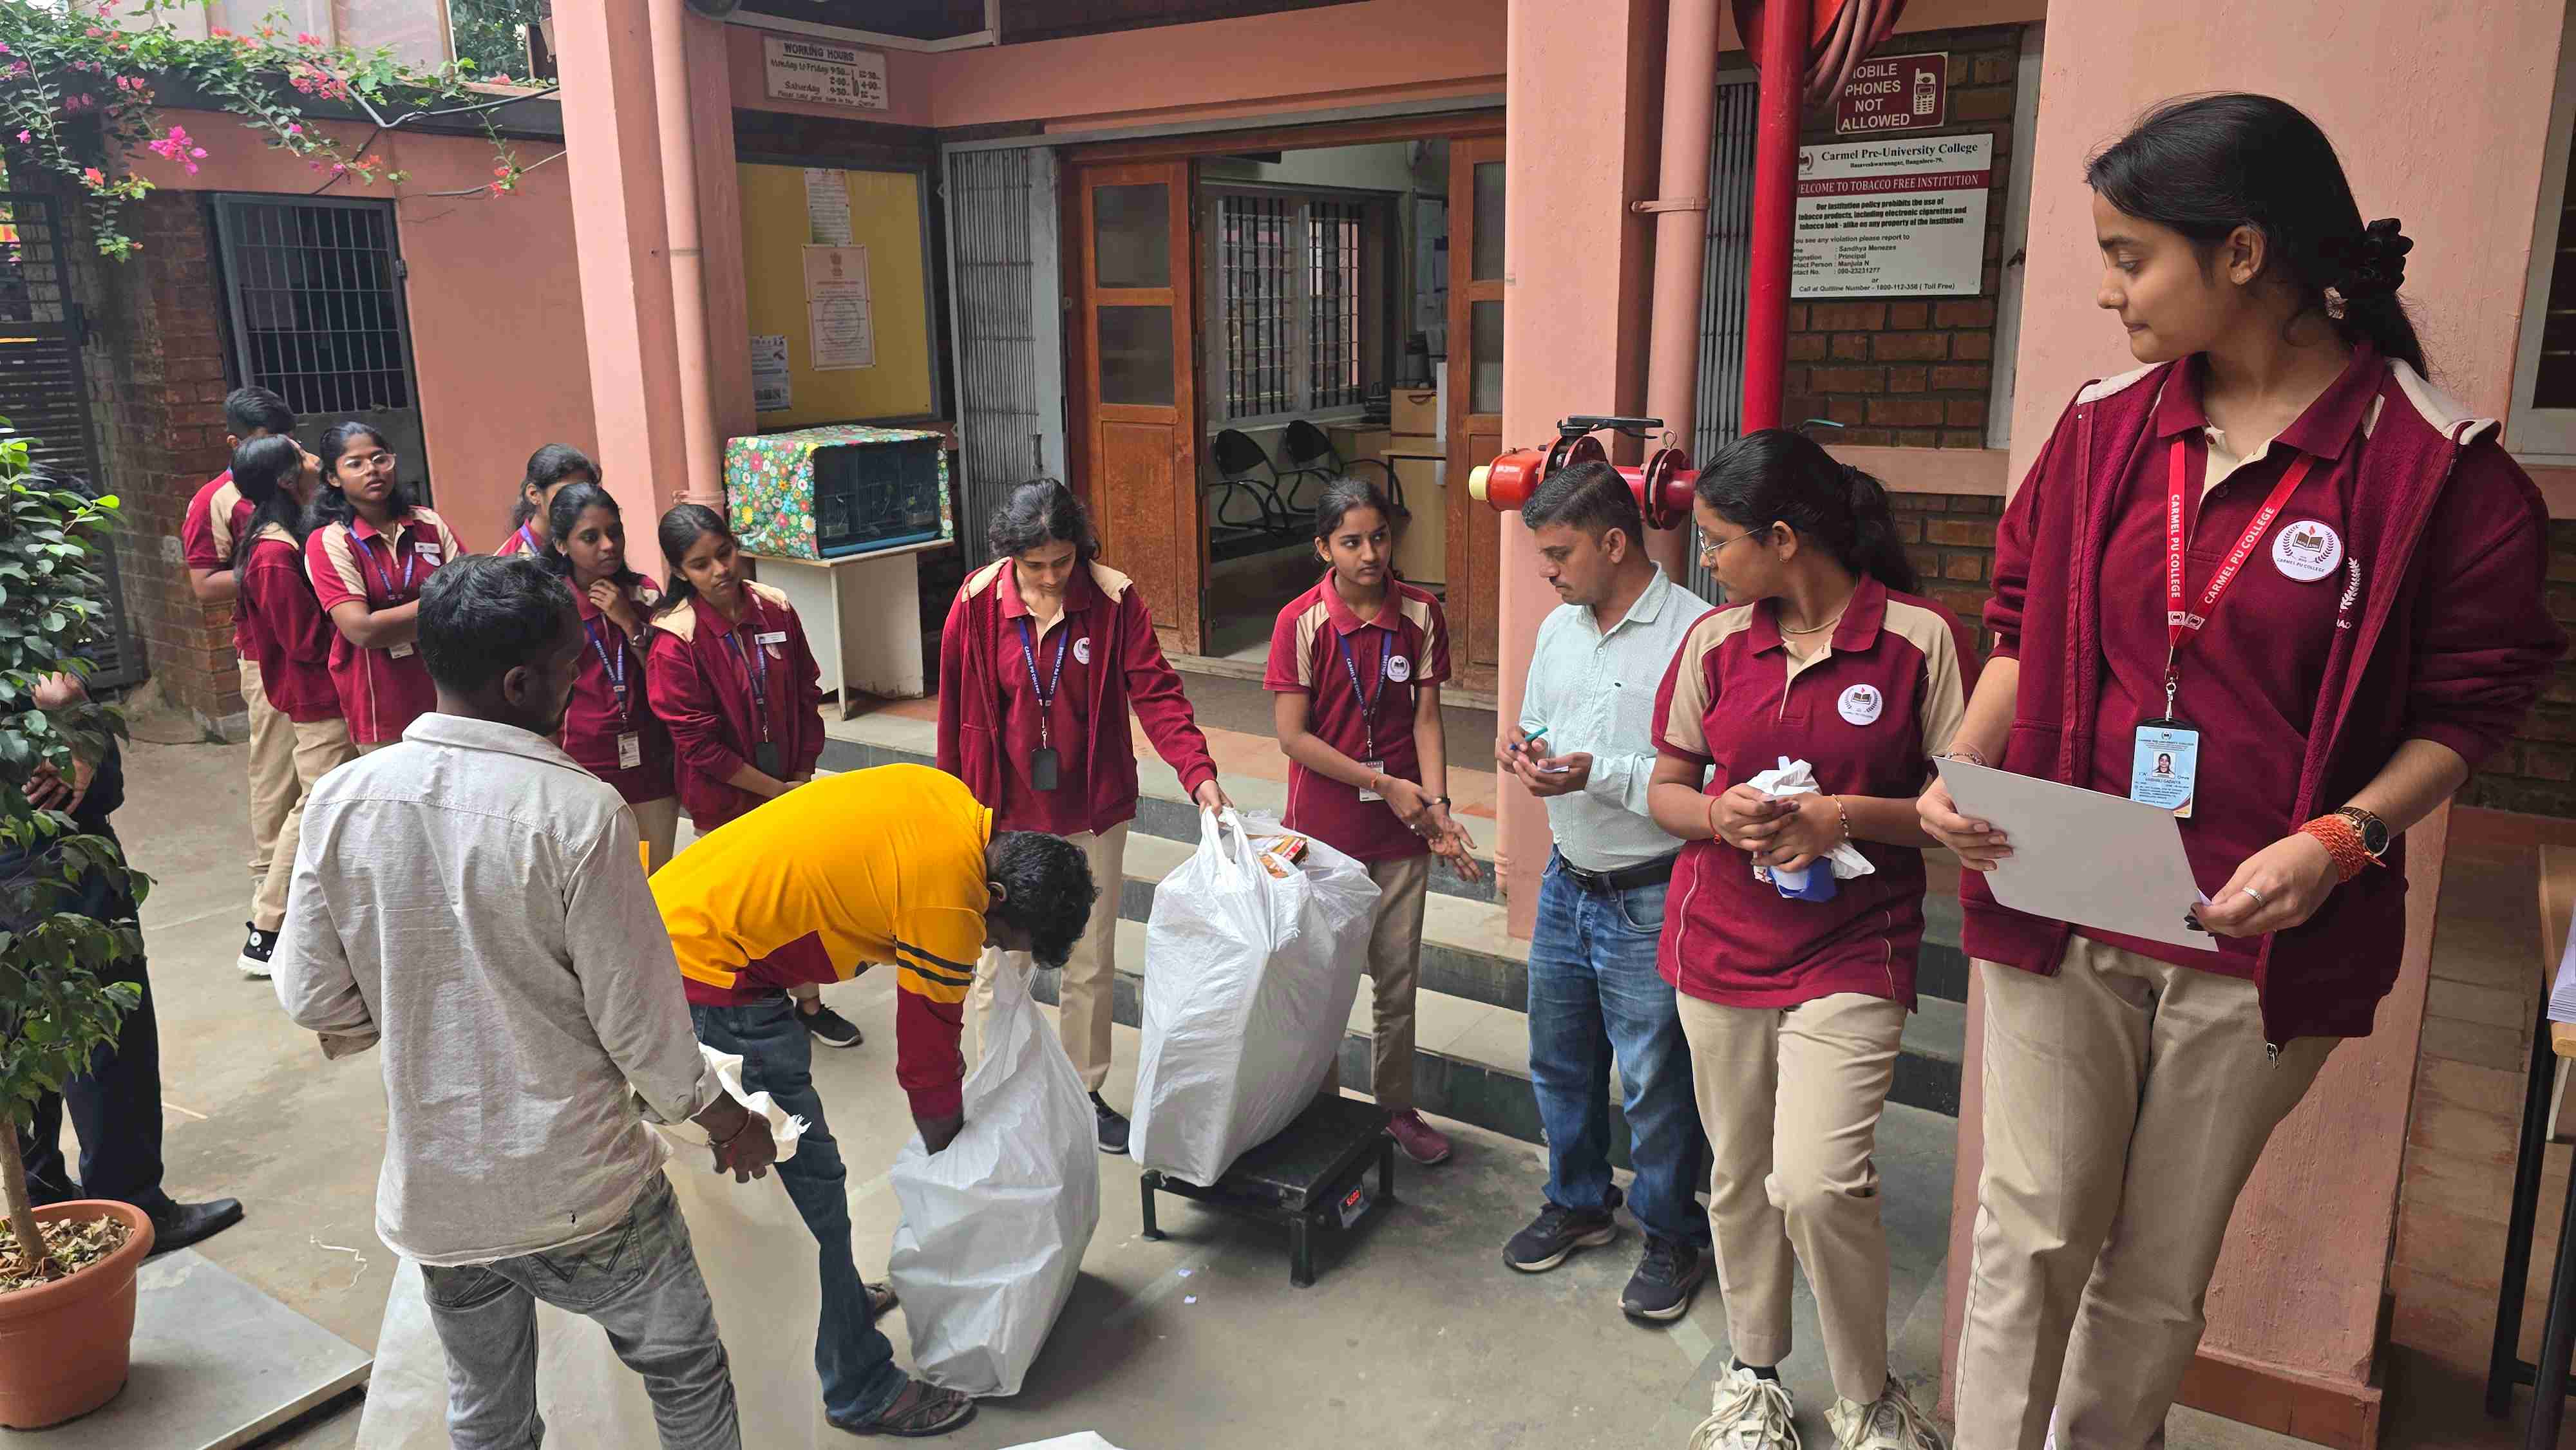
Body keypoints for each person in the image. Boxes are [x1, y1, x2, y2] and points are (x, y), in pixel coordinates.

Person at [1915, 95, 2561, 1450]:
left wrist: (2340, 840)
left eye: (2128, 256)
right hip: (2063, 891)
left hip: (2254, 932)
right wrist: (1963, 761)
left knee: (2154, 1267)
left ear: (2245, 253)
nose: (2107, 291)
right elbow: (2020, 622)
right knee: (2030, 1230)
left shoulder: (2436, 473)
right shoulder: (2100, 429)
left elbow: (2471, 707)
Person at [274, 556, 779, 1450]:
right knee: (685, 1370)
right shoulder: (579, 813)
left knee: (487, 1412)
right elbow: (640, 1028)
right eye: (570, 666)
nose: (580, 682)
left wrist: (413, 1004)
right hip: (581, 1188)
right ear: (519, 684)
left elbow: (312, 991)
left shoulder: (344, 798)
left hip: (440, 1195)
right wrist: (724, 1119)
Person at [1651, 431, 1975, 1450]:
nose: (1708, 559)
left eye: (1718, 540)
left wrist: (1842, 817)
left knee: (1818, 1180)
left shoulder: (1920, 640)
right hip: (1719, 942)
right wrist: (1719, 815)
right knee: (1741, 1174)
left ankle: (1869, 1395)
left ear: (1783, 538)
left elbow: (1959, 810)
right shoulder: (1714, 644)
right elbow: (1668, 787)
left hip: (1854, 945)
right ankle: (1753, 1377)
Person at [650, 762, 1097, 1439]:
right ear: (997, 893)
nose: (986, 946)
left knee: (809, 1174)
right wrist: (955, 1165)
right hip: (706, 973)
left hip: (683, 919)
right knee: (812, 1185)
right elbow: (925, 1067)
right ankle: (859, 1387)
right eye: (998, 936)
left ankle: (837, 1300)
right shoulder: (951, 903)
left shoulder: (952, 802)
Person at [936, 478, 1228, 1154]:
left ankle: (1083, 1090)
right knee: (1001, 962)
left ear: (1081, 549)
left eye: (1062, 562)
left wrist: (1199, 773)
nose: (1049, 578)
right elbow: (953, 713)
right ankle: (999, 1089)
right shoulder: (976, 603)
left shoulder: (1113, 599)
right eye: (1034, 565)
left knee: (1090, 956)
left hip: (1090, 812)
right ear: (1010, 555)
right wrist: (952, 810)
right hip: (1003, 815)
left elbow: (1157, 692)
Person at [1493, 460, 1714, 1321]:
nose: (1547, 572)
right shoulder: (1560, 627)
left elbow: (1709, 776)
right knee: (1560, 1061)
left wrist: (1599, 773)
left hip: (1650, 888)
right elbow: (1543, 722)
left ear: (1615, 543)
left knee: (1656, 1081)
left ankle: (1671, 1233)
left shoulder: (1697, 634)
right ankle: (1579, 1201)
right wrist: (1526, 750)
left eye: (1559, 554)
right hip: (1567, 879)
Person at [14, 465, 245, 1255]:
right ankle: (127, 1204)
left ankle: (40, 1202)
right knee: (102, 1029)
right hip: (50, 863)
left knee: (23, 1030)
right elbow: (86, 778)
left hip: (42, 853)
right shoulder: (30, 629)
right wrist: (69, 717)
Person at [1265, 477, 1478, 1167]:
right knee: (1324, 983)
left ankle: (1395, 1108)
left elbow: (1426, 719)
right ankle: (1320, 1109)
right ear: (1323, 548)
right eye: (1351, 541)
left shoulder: (1420, 612)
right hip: (1322, 839)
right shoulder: (1300, 621)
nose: (1369, 554)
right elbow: (1293, 737)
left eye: (1379, 537)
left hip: (1401, 833)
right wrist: (1382, 783)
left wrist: (1437, 808)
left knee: (1397, 979)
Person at [643, 505, 855, 1048]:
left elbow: (807, 693)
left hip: (790, 788)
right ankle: (760, 1013)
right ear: (679, 571)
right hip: (727, 803)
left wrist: (801, 774)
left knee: (799, 902)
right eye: (700, 564)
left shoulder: (774, 608)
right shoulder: (676, 639)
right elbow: (698, 745)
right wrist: (774, 792)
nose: (720, 570)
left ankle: (810, 1005)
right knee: (746, 912)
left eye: (725, 553)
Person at [179, 387, 316, 977]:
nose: (284, 455)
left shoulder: (307, 482)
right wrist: (271, 570)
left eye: (288, 441)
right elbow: (203, 584)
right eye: (267, 444)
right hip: (266, 653)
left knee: (314, 773)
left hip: (317, 650)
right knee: (278, 768)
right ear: (236, 444)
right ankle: (269, 895)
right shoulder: (216, 500)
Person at [225, 435, 354, 977]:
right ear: (285, 480)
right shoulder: (274, 555)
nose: (313, 463)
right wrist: (356, 618)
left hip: (326, 689)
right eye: (301, 459)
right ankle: (267, 928)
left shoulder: (285, 537)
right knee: (313, 803)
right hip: (317, 696)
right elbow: (304, 641)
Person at [539, 482, 680, 872]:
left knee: (656, 877)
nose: (608, 546)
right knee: (600, 880)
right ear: (562, 545)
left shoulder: (643, 594)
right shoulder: (551, 605)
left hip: (651, 761)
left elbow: (668, 677)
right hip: (581, 765)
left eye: (615, 532)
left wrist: (629, 622)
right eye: (591, 537)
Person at [303, 422, 466, 753]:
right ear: (333, 478)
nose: (372, 470)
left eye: (380, 459)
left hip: (447, 686)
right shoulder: (330, 541)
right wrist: (441, 602)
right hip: (379, 694)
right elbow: (361, 629)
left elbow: (469, 596)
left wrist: (388, 621)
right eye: (355, 464)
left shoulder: (428, 523)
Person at [494, 443, 600, 559]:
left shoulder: (599, 543)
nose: (578, 501)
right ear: (534, 494)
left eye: (585, 491)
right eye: (566, 491)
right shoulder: (510, 562)